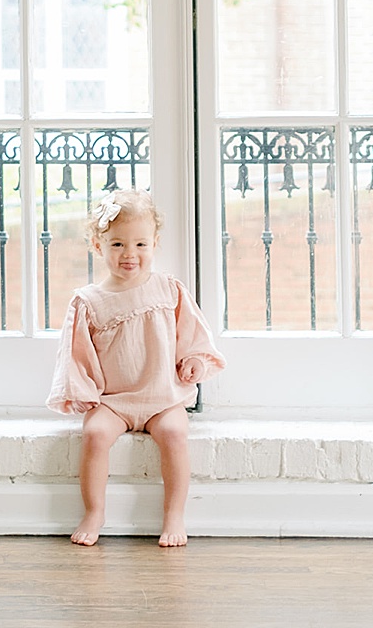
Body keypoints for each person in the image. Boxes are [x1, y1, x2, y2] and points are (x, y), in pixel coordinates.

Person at [47, 189, 226, 547]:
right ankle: (94, 511)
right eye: (117, 245)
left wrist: (193, 361)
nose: (130, 254)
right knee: (96, 435)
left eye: (140, 245)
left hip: (163, 397)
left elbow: (191, 334)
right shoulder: (89, 301)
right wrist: (83, 393)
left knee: (175, 434)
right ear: (98, 246)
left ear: (155, 243)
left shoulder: (168, 288)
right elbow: (76, 355)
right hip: (115, 401)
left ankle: (174, 514)